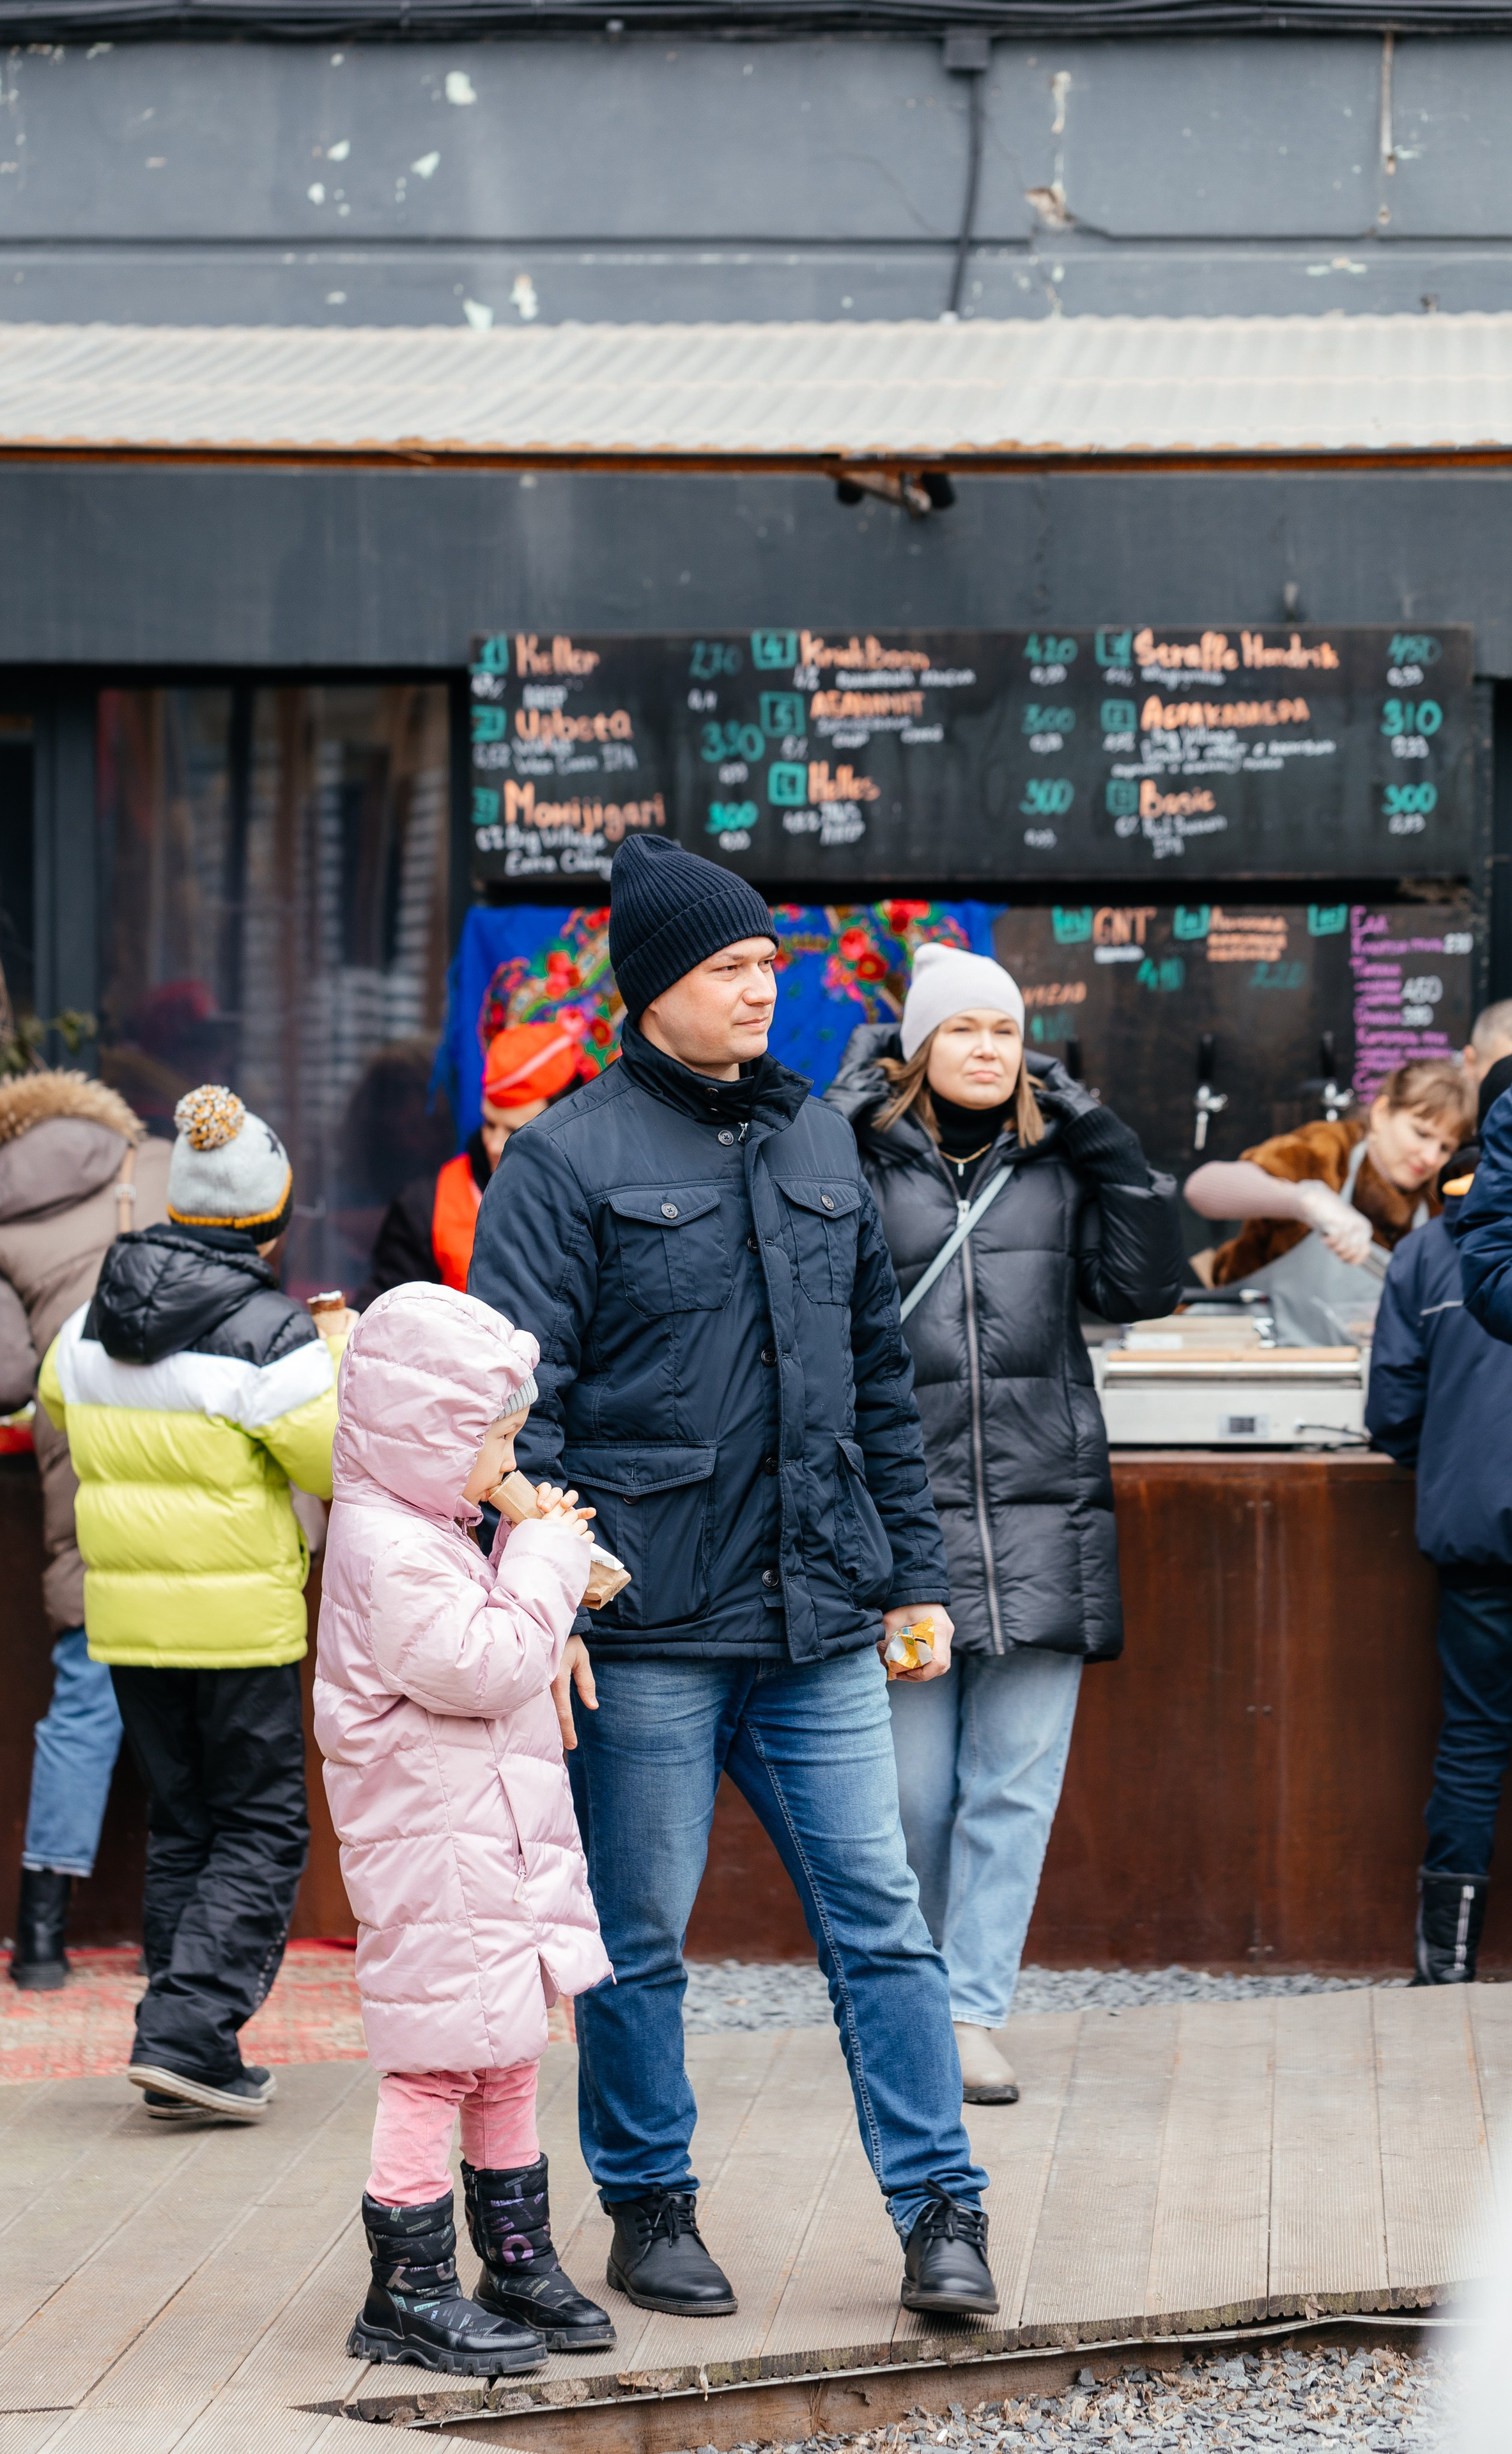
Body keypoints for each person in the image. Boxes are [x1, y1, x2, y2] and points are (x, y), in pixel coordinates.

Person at [470, 834, 997, 2327]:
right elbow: (510, 1408)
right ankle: (648, 2206)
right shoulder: (566, 1159)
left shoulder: (820, 1141)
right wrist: (553, 1579)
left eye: (769, 961)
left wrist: (913, 1572)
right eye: (728, 966)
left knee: (882, 1926)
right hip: (643, 1629)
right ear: (652, 990)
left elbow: (875, 1384)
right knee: (636, 1942)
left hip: (818, 1619)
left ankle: (939, 2213)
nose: (763, 985)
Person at [826, 947, 1185, 2104]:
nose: (989, 1049)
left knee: (1013, 1787)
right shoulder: (863, 1161)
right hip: (903, 1527)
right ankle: (911, 1997)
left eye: (1007, 1030)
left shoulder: (1059, 1165)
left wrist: (1105, 1137)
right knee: (910, 1795)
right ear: (920, 1044)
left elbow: (1143, 1286)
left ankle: (972, 2013)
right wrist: (841, 1115)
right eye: (964, 1029)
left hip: (1044, 1519)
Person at [314, 1281, 613, 2377]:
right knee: (435, 2062)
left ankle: (517, 2255)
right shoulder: (387, 1547)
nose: (505, 1462)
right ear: (422, 1438)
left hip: (486, 1839)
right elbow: (481, 1663)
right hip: (431, 1846)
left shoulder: (428, 1526)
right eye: (490, 1440)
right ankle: (409, 2287)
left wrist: (539, 1587)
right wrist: (544, 1565)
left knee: (503, 2055)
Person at [37, 1084, 341, 2120]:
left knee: (183, 1826)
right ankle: (186, 2032)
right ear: (272, 1217)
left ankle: (187, 2050)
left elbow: (50, 1393)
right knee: (261, 1827)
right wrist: (335, 1352)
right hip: (237, 1624)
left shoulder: (91, 1315)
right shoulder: (273, 1331)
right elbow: (335, 1462)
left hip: (128, 1617)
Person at [0, 1073, 172, 1989]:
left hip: (89, 1457)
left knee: (87, 1690)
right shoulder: (150, 1159)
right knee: (199, 1689)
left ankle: (40, 1938)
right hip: (203, 1452)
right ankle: (176, 1940)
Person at [1367, 1055, 1512, 1985]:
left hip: (1475, 1538)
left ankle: (1446, 1968)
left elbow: (1394, 1414)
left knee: (1472, 1733)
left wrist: (1458, 1470)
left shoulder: (1432, 1250)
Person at [1184, 1058, 1472, 1344]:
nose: (1431, 1158)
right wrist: (1307, 1202)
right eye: (1421, 1133)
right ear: (1382, 1113)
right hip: (1245, 1359)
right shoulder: (1326, 1150)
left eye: (1445, 1147)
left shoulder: (1435, 1207)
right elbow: (1202, 1189)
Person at [357, 1024, 582, 1306]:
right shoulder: (429, 1206)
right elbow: (384, 1312)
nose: (495, 1145)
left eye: (515, 1131)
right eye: (489, 1124)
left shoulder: (601, 1201)